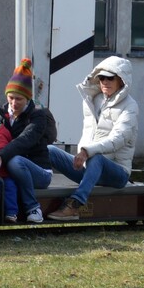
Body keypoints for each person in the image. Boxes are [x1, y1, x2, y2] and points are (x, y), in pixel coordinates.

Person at [46, 55, 138, 221]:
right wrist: (82, 155)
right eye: (101, 77)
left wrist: (86, 152)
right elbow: (88, 133)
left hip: (118, 173)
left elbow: (117, 140)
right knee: (50, 150)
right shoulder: (94, 100)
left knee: (97, 158)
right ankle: (29, 196)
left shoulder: (130, 106)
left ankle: (75, 205)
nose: (104, 82)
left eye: (110, 78)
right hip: (89, 166)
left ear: (121, 80)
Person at [0, 58, 57, 224]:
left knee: (15, 161)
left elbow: (24, 141)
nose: (13, 103)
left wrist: (0, 157)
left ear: (28, 98)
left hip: (40, 172)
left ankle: (33, 207)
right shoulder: (1, 112)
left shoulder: (38, 115)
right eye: (10, 98)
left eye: (19, 99)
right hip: (11, 169)